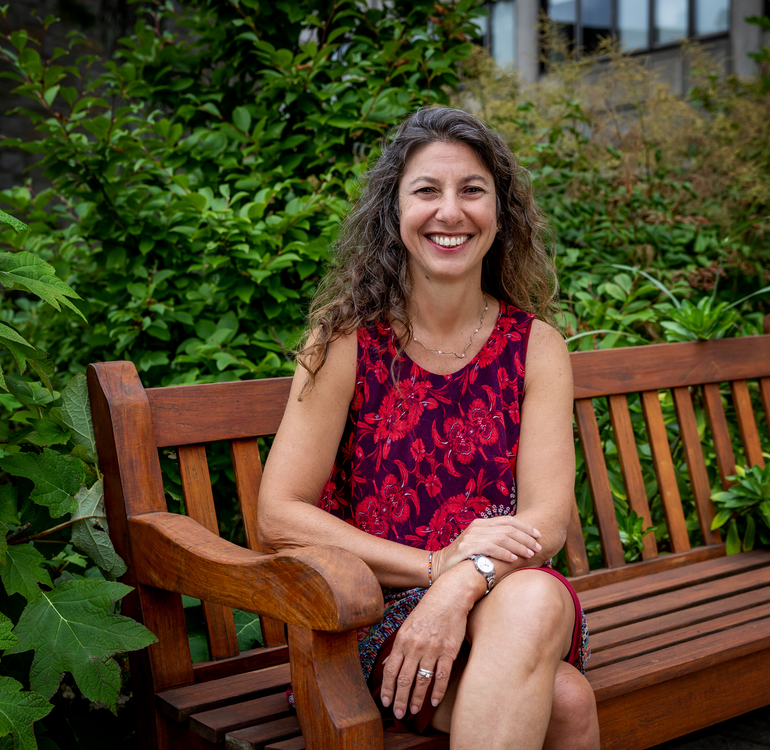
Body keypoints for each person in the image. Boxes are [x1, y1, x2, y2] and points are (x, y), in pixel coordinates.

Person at [257, 106, 599, 750]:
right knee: (567, 702)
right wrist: (435, 566)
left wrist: (463, 578)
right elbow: (278, 515)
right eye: (426, 191)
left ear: (501, 215)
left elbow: (547, 520)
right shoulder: (345, 341)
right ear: (394, 213)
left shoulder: (536, 346)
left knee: (531, 601)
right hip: (374, 614)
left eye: (472, 190)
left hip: (507, 596)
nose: (451, 212)